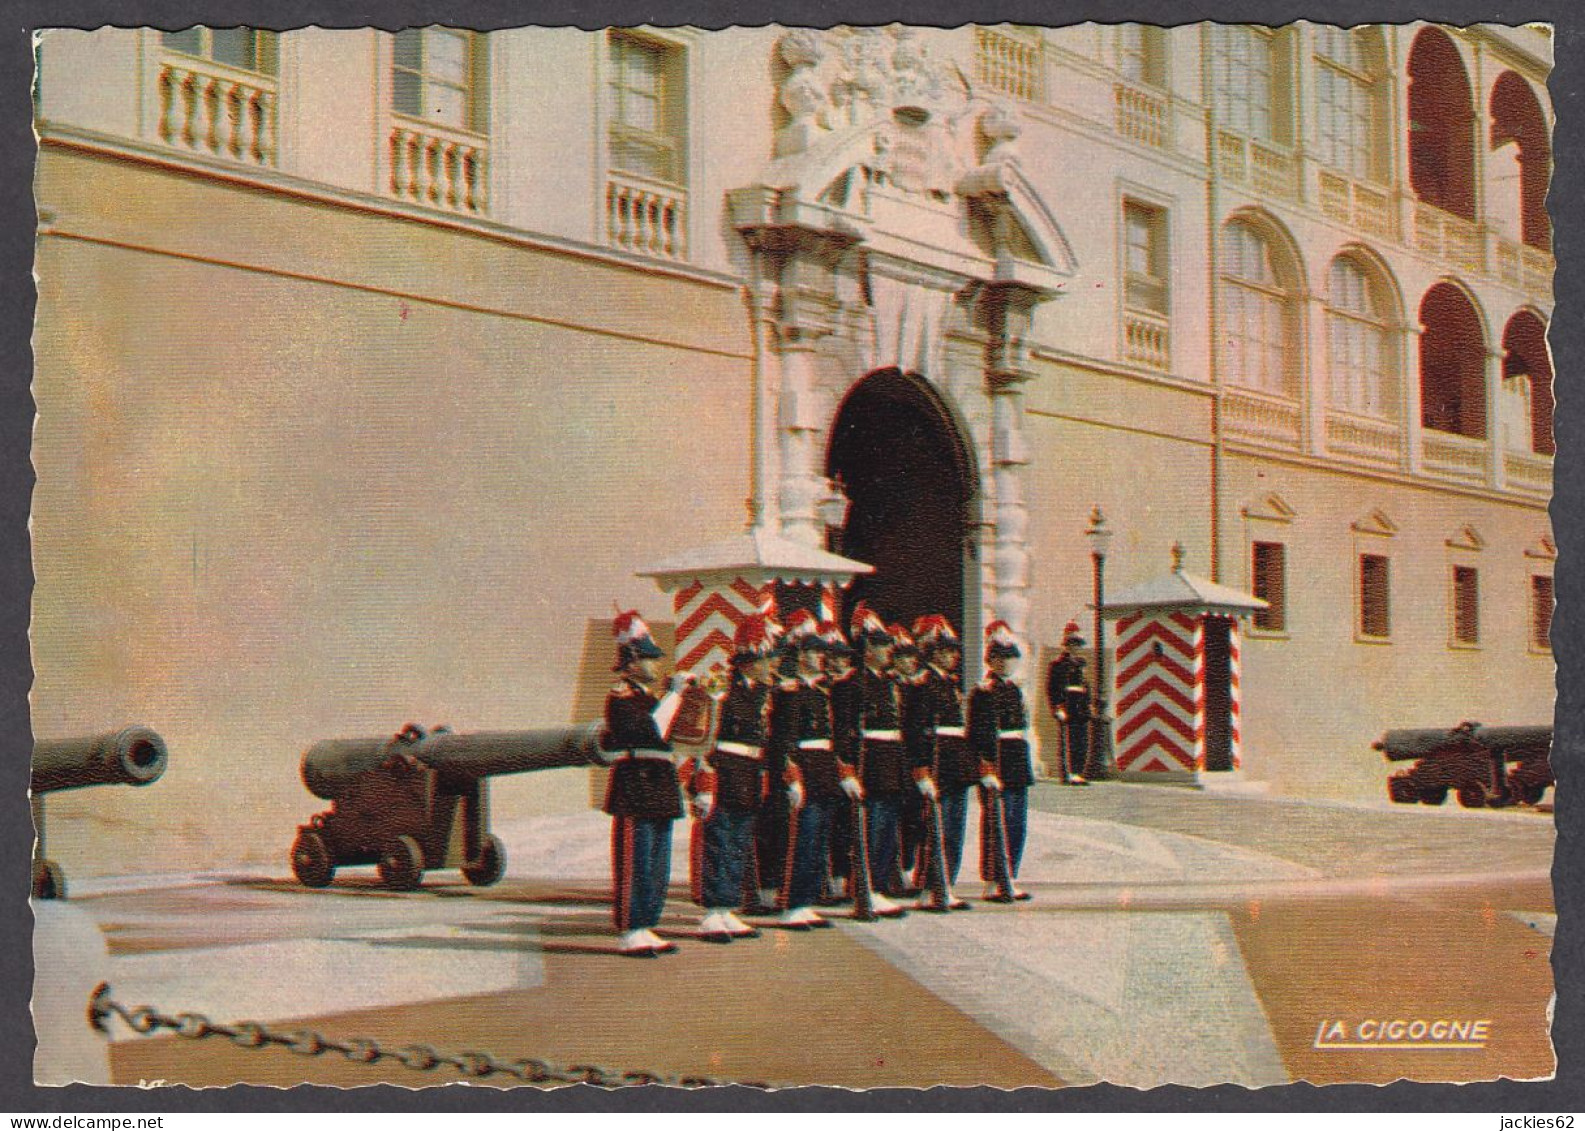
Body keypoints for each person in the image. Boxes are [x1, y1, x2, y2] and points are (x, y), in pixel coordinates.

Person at [601, 609, 694, 956]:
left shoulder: (652, 698)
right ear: (633, 660)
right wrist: (674, 695)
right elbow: (650, 729)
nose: (656, 667)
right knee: (635, 861)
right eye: (650, 660)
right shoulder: (621, 696)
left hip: (659, 784)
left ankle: (648, 922)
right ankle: (630, 927)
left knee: (657, 863)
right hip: (636, 785)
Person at [689, 613, 779, 943]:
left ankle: (728, 907)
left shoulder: (763, 694)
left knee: (739, 844)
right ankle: (713, 911)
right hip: (724, 775)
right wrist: (704, 786)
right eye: (765, 658)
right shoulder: (720, 688)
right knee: (720, 842)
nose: (770, 664)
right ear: (749, 659)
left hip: (749, 777)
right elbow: (704, 740)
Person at [768, 610, 847, 929]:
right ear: (800, 655)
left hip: (824, 772)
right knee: (801, 839)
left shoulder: (822, 692)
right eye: (814, 652)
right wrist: (793, 779)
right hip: (805, 771)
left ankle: (807, 899)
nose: (821, 657)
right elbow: (784, 740)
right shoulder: (790, 693)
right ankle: (792, 902)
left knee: (818, 839)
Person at [969, 620, 1034, 902]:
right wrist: (985, 766)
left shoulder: (1015, 690)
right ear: (991, 660)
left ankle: (1010, 875)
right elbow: (978, 733)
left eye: (1010, 658)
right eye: (1001, 658)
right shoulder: (983, 692)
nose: (1007, 664)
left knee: (1017, 821)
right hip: (996, 760)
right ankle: (993, 877)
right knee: (997, 820)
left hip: (1016, 758)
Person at [850, 602, 908, 918]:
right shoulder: (854, 683)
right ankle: (865, 888)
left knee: (886, 829)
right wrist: (848, 770)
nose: (889, 652)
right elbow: (849, 731)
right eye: (882, 646)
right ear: (867, 648)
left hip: (889, 765)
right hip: (869, 765)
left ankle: (879, 886)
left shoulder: (888, 683)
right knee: (870, 830)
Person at [915, 614, 973, 910]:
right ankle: (931, 885)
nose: (954, 656)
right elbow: (919, 730)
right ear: (934, 651)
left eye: (955, 651)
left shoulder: (949, 683)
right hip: (938, 762)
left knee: (954, 828)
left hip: (955, 764)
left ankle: (946, 883)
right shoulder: (925, 683)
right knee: (936, 828)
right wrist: (922, 770)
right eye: (948, 650)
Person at [821, 617, 862, 905]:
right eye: (830, 657)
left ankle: (843, 877)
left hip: (849, 761)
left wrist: (847, 765)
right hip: (823, 763)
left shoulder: (850, 687)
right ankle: (828, 879)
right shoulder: (822, 686)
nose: (834, 662)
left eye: (839, 657)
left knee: (846, 824)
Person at [1045, 621, 1092, 785]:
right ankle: (1068, 772)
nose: (1075, 648)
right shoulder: (1057, 665)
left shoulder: (1081, 664)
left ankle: (1078, 771)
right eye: (1072, 644)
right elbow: (1052, 688)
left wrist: (1088, 705)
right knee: (1068, 741)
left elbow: (1085, 687)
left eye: (1078, 645)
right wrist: (1057, 707)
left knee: (1081, 741)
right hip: (1068, 706)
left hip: (1080, 707)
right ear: (1066, 645)